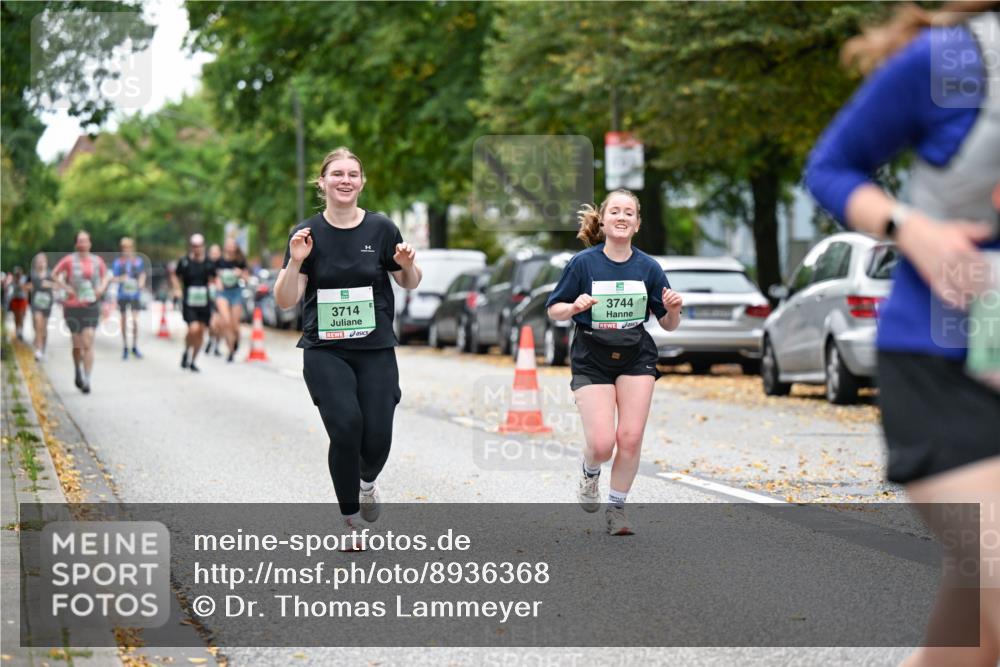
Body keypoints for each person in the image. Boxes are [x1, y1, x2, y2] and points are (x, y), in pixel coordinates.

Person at [806, 3, 999, 664]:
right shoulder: (951, 59)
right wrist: (912, 229)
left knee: (968, 644)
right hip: (945, 370)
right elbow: (831, 166)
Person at [274, 146, 421, 548]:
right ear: (322, 182)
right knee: (345, 427)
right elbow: (286, 299)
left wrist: (407, 263)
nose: (345, 180)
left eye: (352, 174)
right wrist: (294, 262)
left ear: (362, 182)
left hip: (374, 348)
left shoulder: (382, 228)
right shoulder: (306, 234)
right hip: (325, 349)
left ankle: (367, 482)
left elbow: (409, 282)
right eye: (336, 174)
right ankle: (350, 520)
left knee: (377, 438)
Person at [546, 190, 683, 535]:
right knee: (603, 443)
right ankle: (590, 473)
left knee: (631, 436)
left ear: (637, 224)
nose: (622, 218)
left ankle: (617, 508)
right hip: (592, 357)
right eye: (615, 212)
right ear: (604, 221)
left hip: (636, 355)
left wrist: (674, 309)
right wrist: (575, 307)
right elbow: (553, 309)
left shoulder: (648, 268)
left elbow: (666, 323)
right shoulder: (584, 264)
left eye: (629, 213)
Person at [51, 231, 110, 394]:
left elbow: (106, 277)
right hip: (73, 306)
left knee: (88, 341)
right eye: (80, 241)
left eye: (86, 241)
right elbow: (54, 274)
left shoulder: (97, 261)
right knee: (77, 345)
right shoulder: (69, 260)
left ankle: (87, 379)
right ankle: (77, 367)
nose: (83, 244)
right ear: (76, 244)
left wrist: (101, 288)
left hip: (91, 304)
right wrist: (66, 288)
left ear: (90, 243)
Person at [171, 234, 216, 373]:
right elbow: (175, 276)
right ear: (191, 247)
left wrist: (215, 290)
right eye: (194, 246)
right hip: (189, 301)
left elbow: (213, 279)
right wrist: (177, 289)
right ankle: (186, 350)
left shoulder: (208, 263)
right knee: (193, 329)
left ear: (203, 246)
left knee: (201, 332)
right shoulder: (184, 262)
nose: (197, 248)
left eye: (199, 246)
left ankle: (193, 360)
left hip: (204, 301)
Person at [214, 237, 249, 362]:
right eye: (228, 245)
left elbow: (247, 279)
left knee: (234, 325)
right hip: (223, 292)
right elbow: (215, 277)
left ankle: (236, 341)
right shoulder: (219, 261)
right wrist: (218, 282)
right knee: (226, 321)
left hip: (235, 292)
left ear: (235, 247)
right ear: (225, 247)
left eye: (232, 245)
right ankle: (230, 351)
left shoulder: (240, 260)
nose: (230, 248)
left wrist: (240, 273)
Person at [112, 237, 146, 360]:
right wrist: (122, 279)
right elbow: (113, 278)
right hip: (122, 295)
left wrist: (141, 282)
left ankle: (134, 346)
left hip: (134, 295)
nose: (126, 250)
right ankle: (125, 346)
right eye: (124, 248)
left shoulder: (138, 261)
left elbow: (142, 274)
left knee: (135, 321)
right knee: (124, 320)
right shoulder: (117, 262)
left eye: (128, 247)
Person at [28, 254, 55, 361]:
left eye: (42, 260)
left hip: (47, 303)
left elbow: (58, 286)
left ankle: (43, 348)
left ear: (46, 261)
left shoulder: (50, 274)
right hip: (36, 303)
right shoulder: (32, 274)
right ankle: (38, 349)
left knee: (43, 327)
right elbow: (25, 286)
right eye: (38, 260)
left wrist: (48, 284)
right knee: (38, 324)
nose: (40, 262)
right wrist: (30, 287)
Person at [205, 243, 224, 357]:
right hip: (208, 297)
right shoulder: (206, 264)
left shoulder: (223, 264)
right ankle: (211, 339)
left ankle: (216, 345)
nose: (215, 255)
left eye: (217, 253)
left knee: (220, 324)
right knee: (212, 323)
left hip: (221, 296)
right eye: (213, 253)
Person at [4, 266, 29, 341]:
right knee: (16, 316)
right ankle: (17, 330)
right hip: (15, 299)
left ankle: (20, 331)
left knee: (21, 316)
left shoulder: (24, 279)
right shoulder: (12, 280)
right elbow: (7, 287)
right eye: (16, 274)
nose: (18, 275)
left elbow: (26, 288)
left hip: (22, 300)